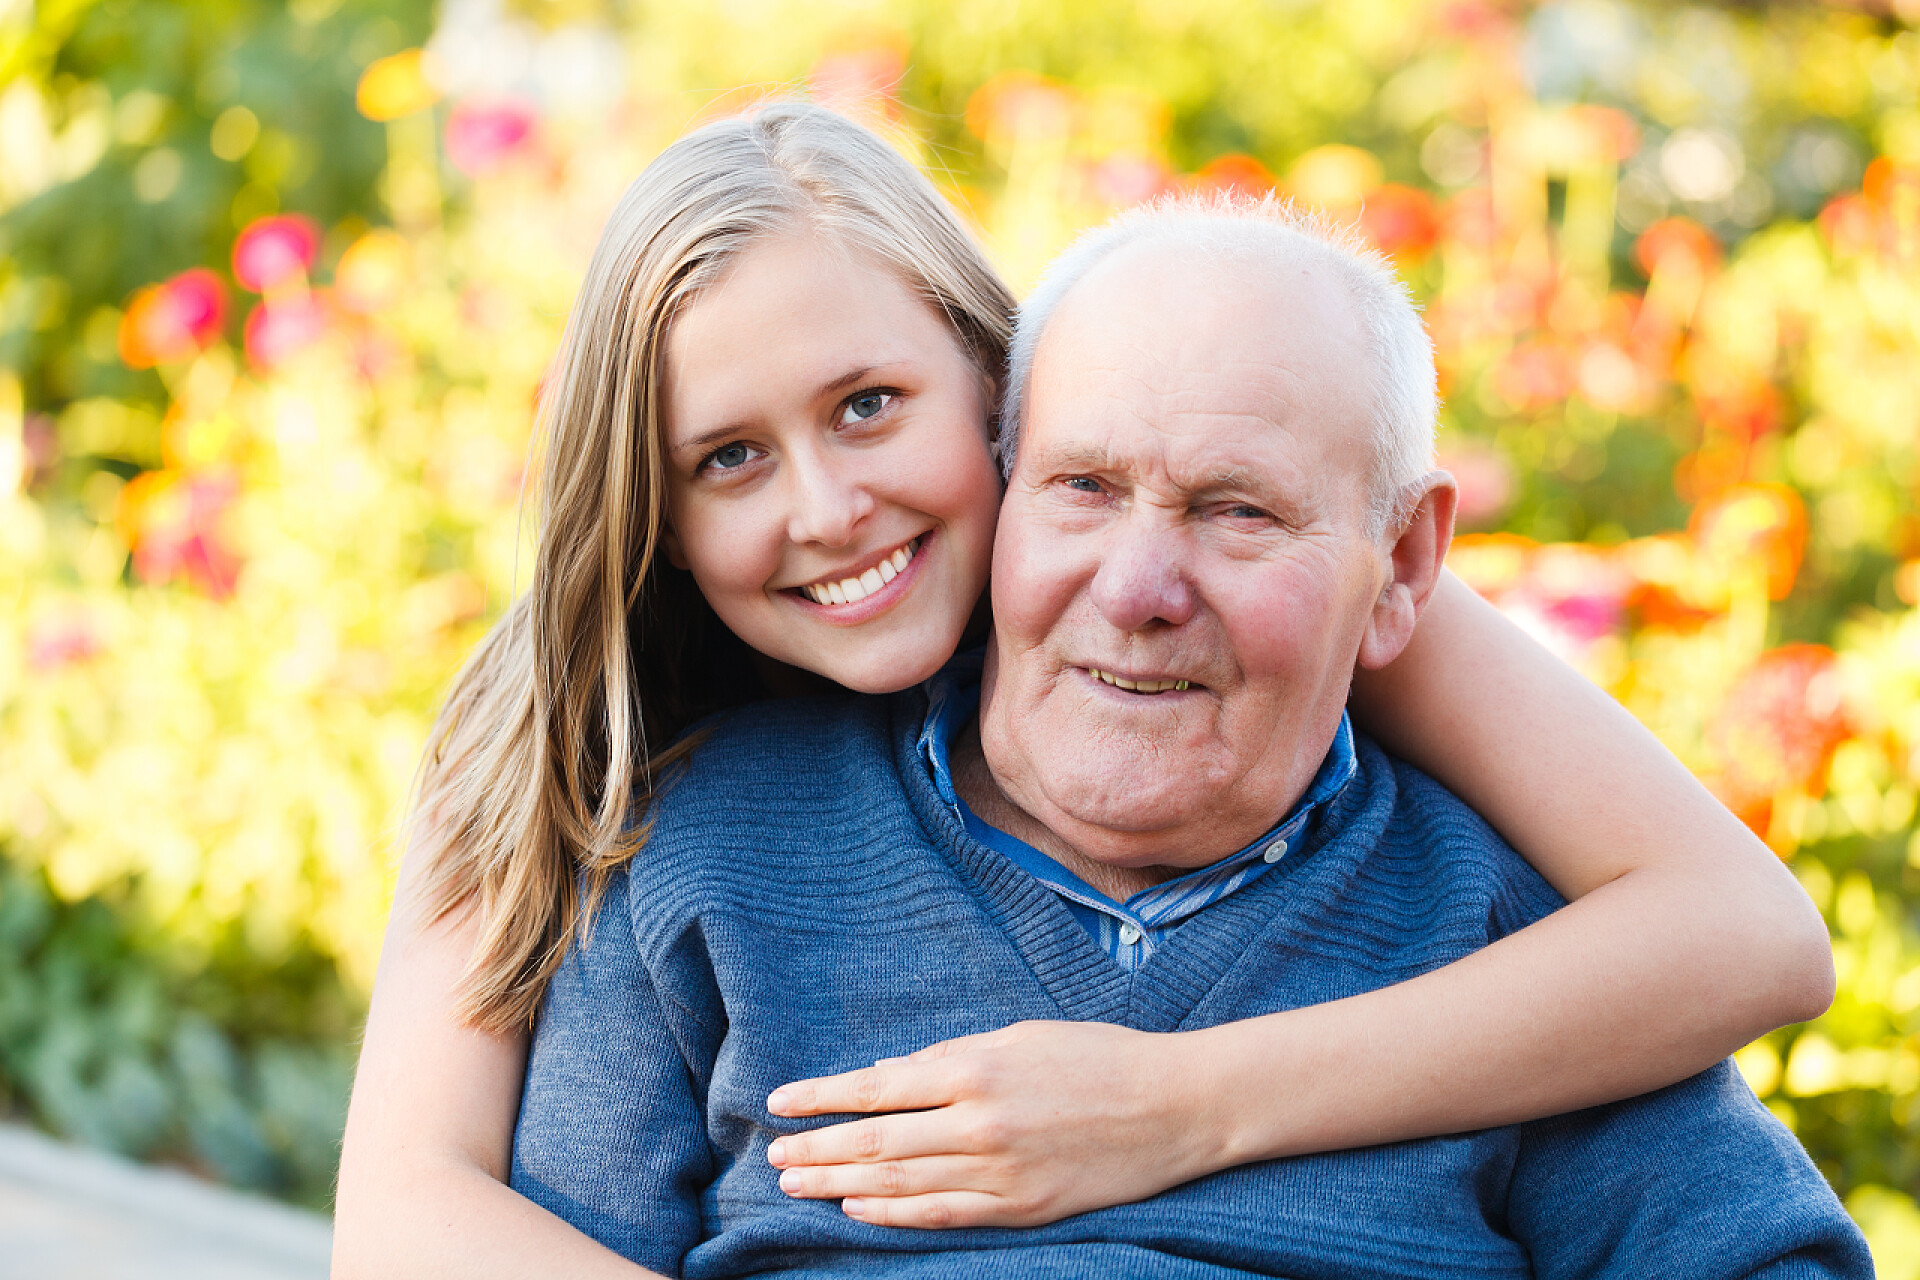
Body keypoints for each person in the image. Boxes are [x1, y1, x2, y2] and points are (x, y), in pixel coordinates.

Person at [330, 104, 1835, 1278]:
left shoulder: (1463, 871)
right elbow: (410, 1225)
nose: (830, 508)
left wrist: (1175, 1107)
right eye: (726, 457)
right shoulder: (646, 806)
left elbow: (1746, 938)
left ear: (992, 405)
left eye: (869, 409)